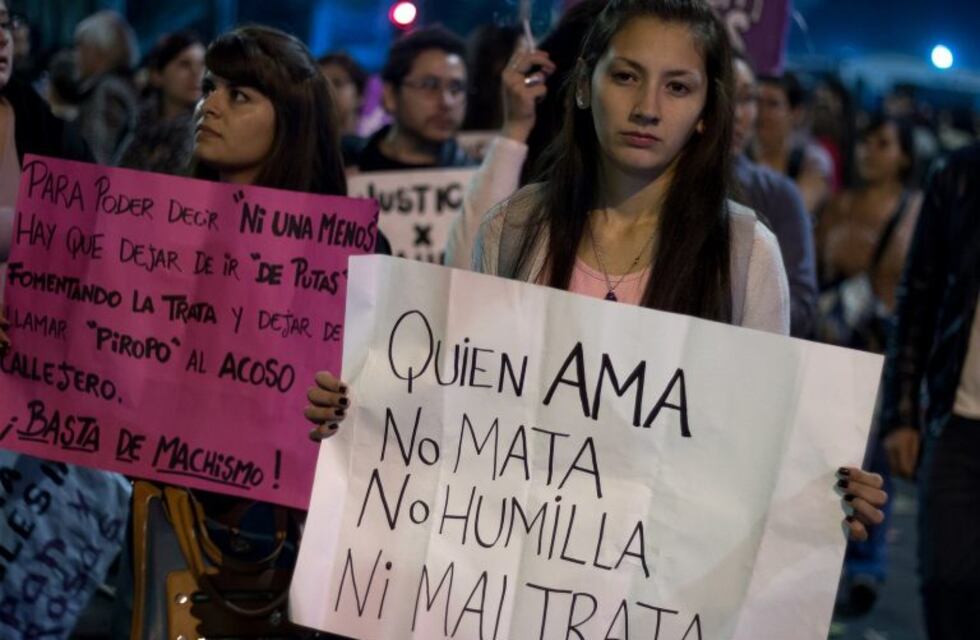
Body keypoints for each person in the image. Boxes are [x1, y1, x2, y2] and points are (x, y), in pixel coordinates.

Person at [308, 0, 887, 542]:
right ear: (585, 86)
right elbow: (457, 394)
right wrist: (364, 409)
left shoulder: (746, 252)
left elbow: (763, 439)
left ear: (709, 113)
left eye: (678, 87)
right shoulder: (515, 226)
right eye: (626, 76)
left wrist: (823, 495)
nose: (648, 108)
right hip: (508, 561)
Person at [879, 141, 980, 639]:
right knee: (946, 589)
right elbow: (917, 295)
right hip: (957, 421)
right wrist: (901, 413)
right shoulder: (958, 176)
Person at [731, 53, 817, 338]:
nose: (736, 113)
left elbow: (801, 306)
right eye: (726, 96)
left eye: (746, 99)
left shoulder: (780, 194)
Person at [816, 116, 922, 349]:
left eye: (883, 144)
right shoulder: (838, 205)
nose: (868, 151)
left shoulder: (918, 213)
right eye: (864, 142)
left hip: (887, 345)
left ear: (904, 157)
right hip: (833, 341)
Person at [349, 26, 475, 172]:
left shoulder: (476, 176)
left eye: (456, 89)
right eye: (429, 85)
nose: (446, 102)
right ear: (390, 96)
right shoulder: (348, 168)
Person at [120, 31, 205, 175]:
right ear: (157, 75)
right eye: (184, 64)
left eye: (202, 64)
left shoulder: (206, 130)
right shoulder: (138, 125)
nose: (197, 73)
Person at [753, 72, 834, 216]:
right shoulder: (739, 156)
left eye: (773, 104)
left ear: (796, 113)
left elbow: (796, 213)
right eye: (756, 101)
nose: (761, 112)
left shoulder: (812, 161)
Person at [73, 10, 139, 166]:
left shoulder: (107, 91)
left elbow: (97, 153)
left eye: (81, 47)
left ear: (99, 51)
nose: (76, 55)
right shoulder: (122, 87)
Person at [318, 51, 367, 137]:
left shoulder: (373, 143)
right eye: (322, 84)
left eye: (337, 83)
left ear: (359, 95)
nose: (328, 90)